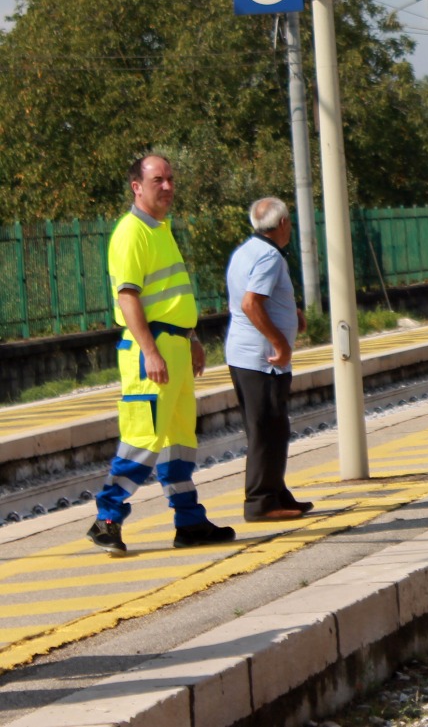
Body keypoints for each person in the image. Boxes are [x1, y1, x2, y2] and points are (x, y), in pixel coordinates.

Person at [87, 154, 235, 555]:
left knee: (179, 440)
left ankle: (189, 522)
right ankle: (107, 519)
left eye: (171, 178)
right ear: (137, 186)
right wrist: (152, 351)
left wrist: (190, 339)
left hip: (174, 346)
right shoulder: (131, 232)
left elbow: (168, 297)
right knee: (143, 439)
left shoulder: (161, 229)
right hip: (148, 350)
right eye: (158, 180)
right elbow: (128, 296)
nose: (167, 186)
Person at [223, 197, 312, 523]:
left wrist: (292, 313)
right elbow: (251, 303)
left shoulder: (245, 250)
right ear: (284, 223)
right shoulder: (269, 256)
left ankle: (276, 492)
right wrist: (279, 341)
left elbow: (255, 298)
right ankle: (261, 501)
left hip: (245, 355)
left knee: (272, 426)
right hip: (263, 359)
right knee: (267, 429)